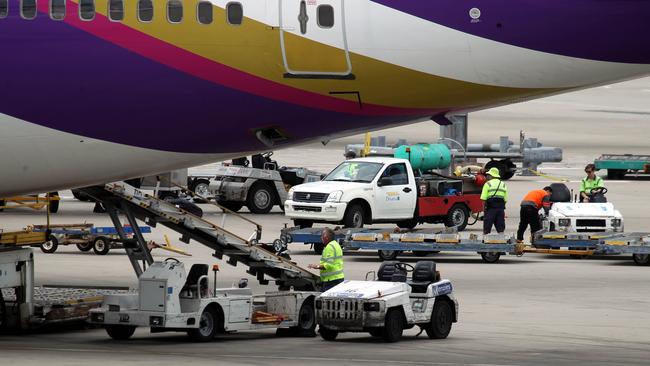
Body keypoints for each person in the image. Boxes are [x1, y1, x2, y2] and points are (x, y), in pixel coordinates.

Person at [480, 167, 508, 234]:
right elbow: (505, 199)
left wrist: (484, 210)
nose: (487, 176)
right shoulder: (503, 184)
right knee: (500, 227)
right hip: (500, 209)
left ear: (491, 175)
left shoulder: (488, 184)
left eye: (488, 175)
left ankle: (485, 240)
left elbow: (483, 199)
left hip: (490, 209)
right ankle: (502, 241)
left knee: (487, 227)